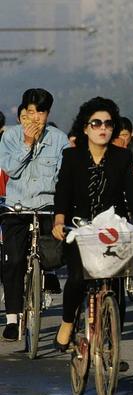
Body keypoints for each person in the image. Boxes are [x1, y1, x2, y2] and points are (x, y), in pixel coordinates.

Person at [50, 97, 133, 351]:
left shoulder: (122, 157)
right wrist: (59, 219)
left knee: (115, 284)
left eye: (108, 123)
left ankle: (110, 347)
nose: (102, 128)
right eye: (96, 123)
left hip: (112, 227)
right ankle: (67, 322)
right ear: (85, 128)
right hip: (79, 227)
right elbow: (63, 190)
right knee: (76, 278)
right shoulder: (72, 156)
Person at [0, 88, 69, 341]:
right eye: (30, 112)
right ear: (22, 114)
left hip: (47, 208)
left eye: (41, 112)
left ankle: (47, 273)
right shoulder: (10, 137)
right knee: (13, 261)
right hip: (16, 208)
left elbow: (65, 177)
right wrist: (27, 144)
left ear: (47, 113)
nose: (35, 118)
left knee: (55, 255)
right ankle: (12, 319)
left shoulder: (59, 139)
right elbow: (9, 169)